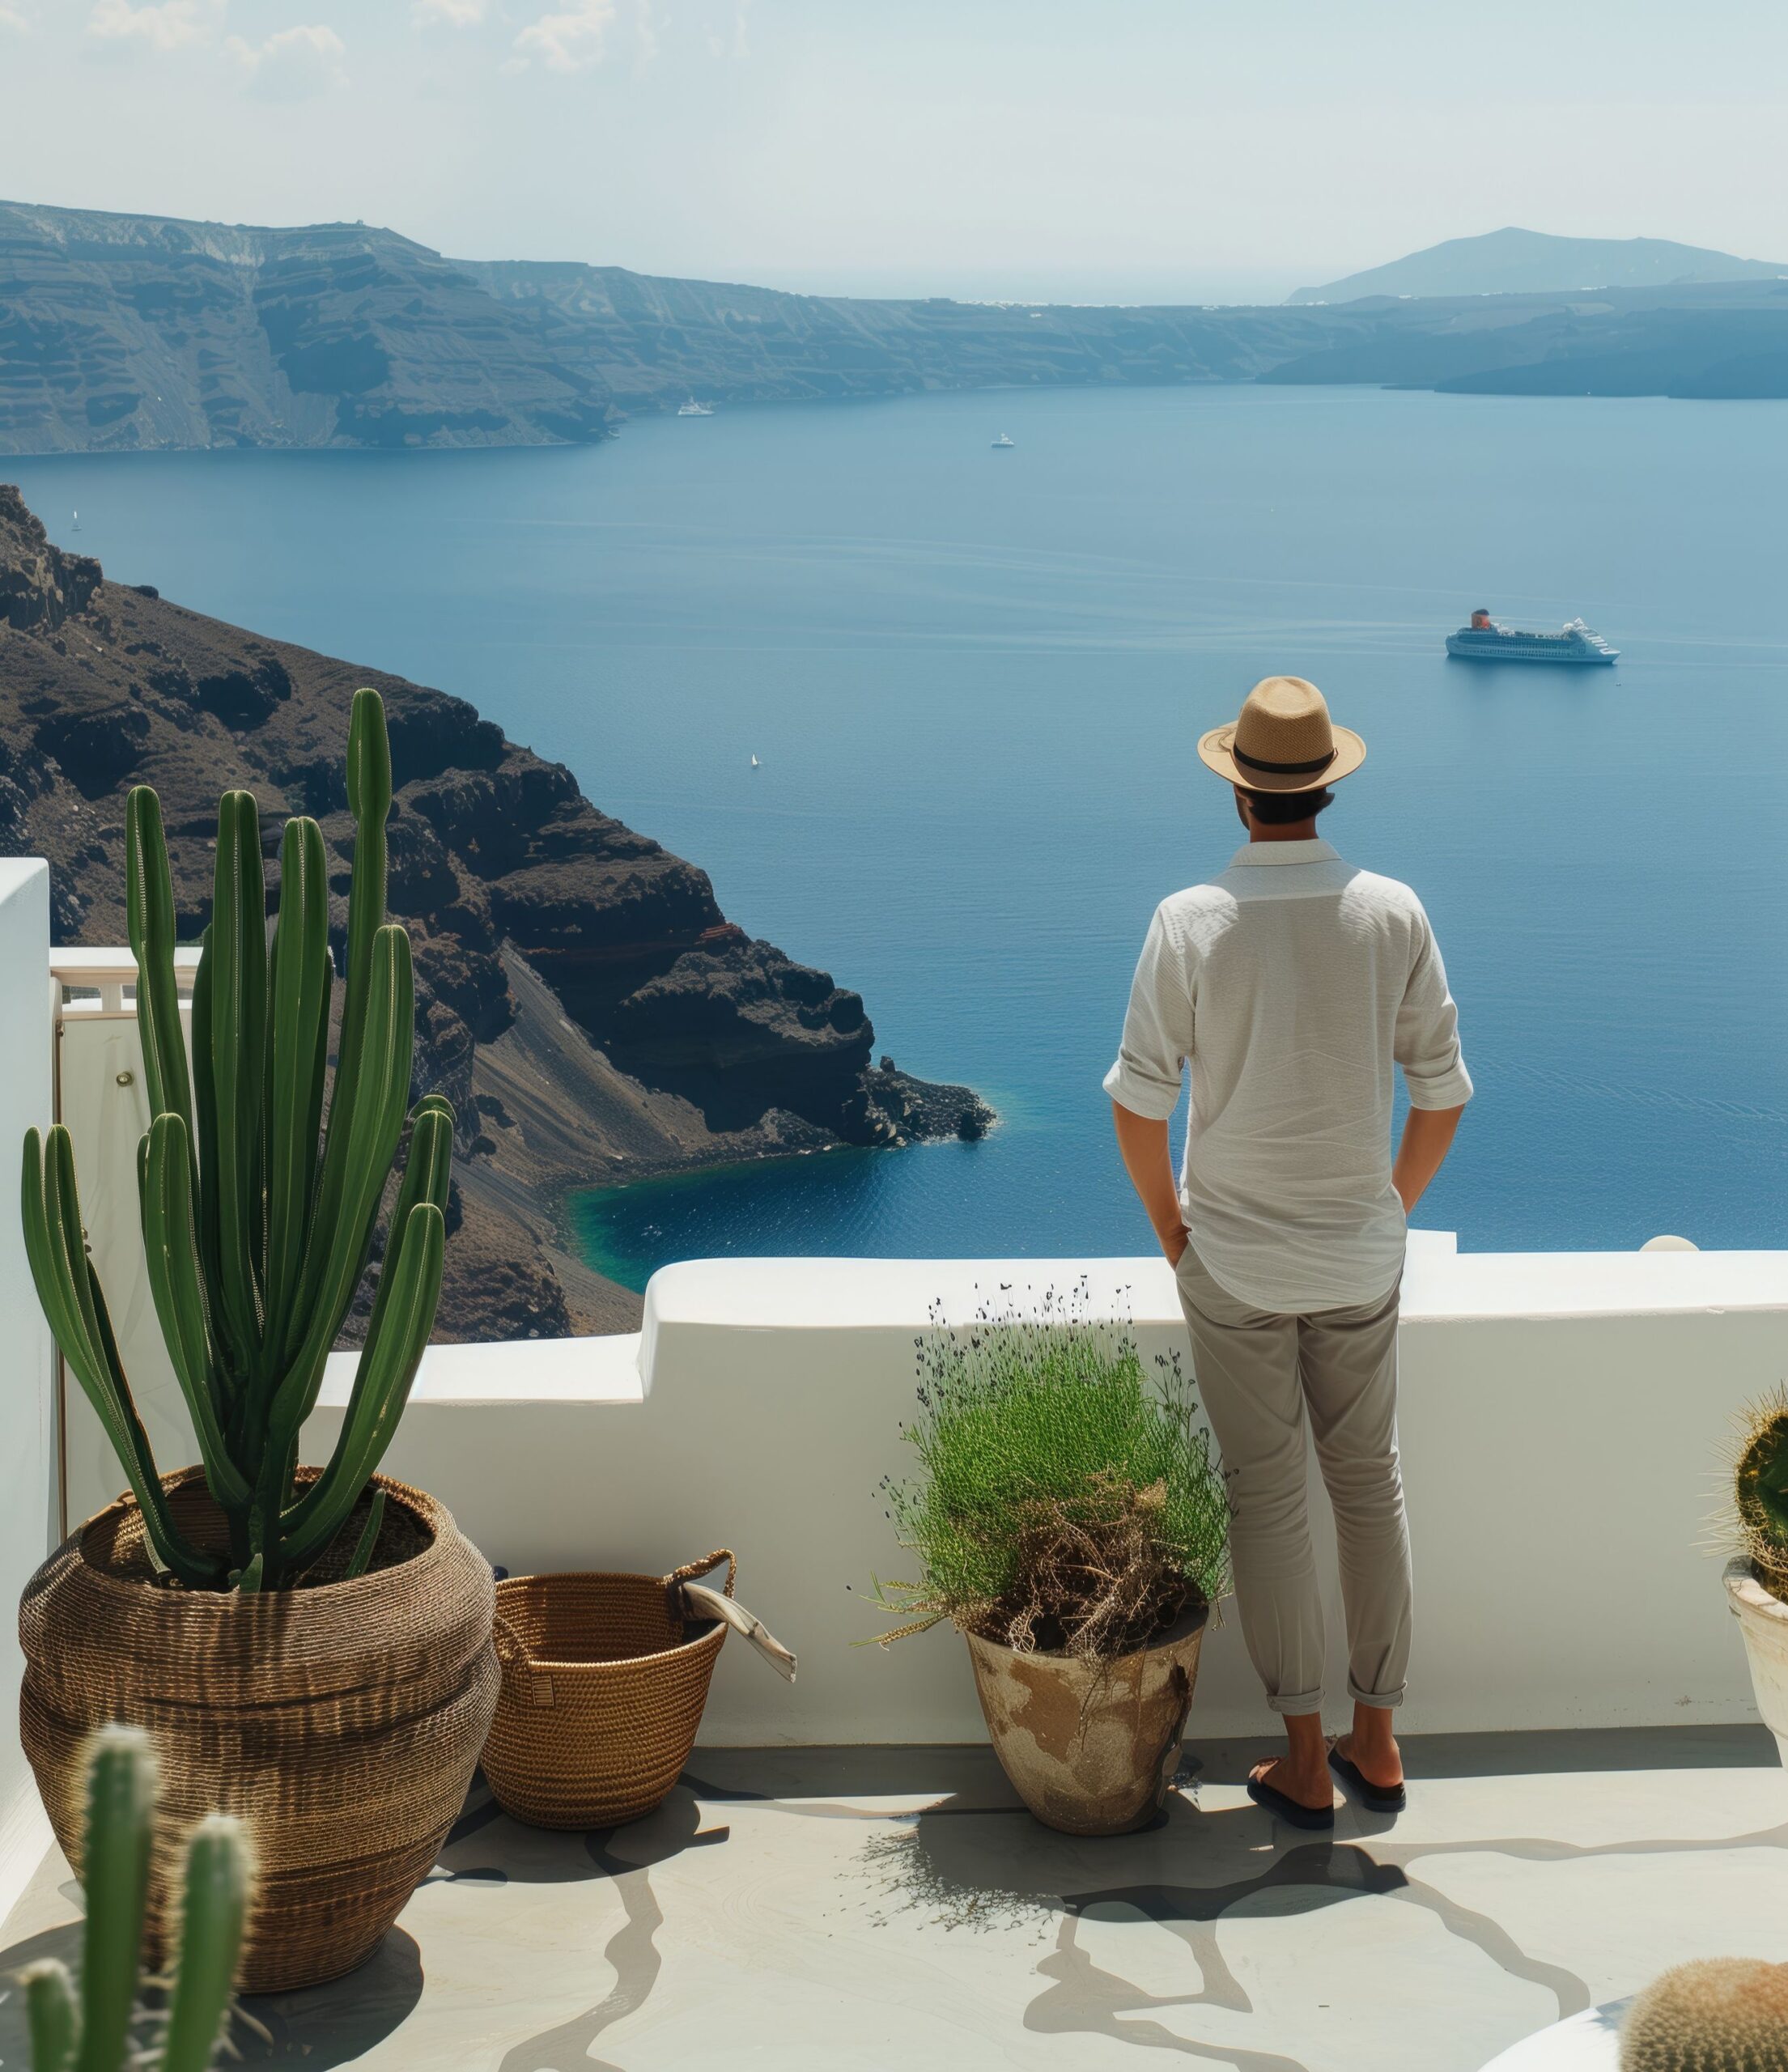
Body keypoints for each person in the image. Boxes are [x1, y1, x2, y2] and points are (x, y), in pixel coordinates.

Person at [1104, 675, 1471, 1828]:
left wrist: (1172, 1231)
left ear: (1236, 789)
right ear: (1325, 785)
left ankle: (1303, 1758)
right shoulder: (1391, 911)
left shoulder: (1191, 919)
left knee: (1266, 1503)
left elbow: (1136, 1103)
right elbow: (1442, 1094)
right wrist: (1389, 1208)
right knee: (1369, 1490)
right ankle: (1380, 1738)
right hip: (1360, 1257)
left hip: (1236, 1265)